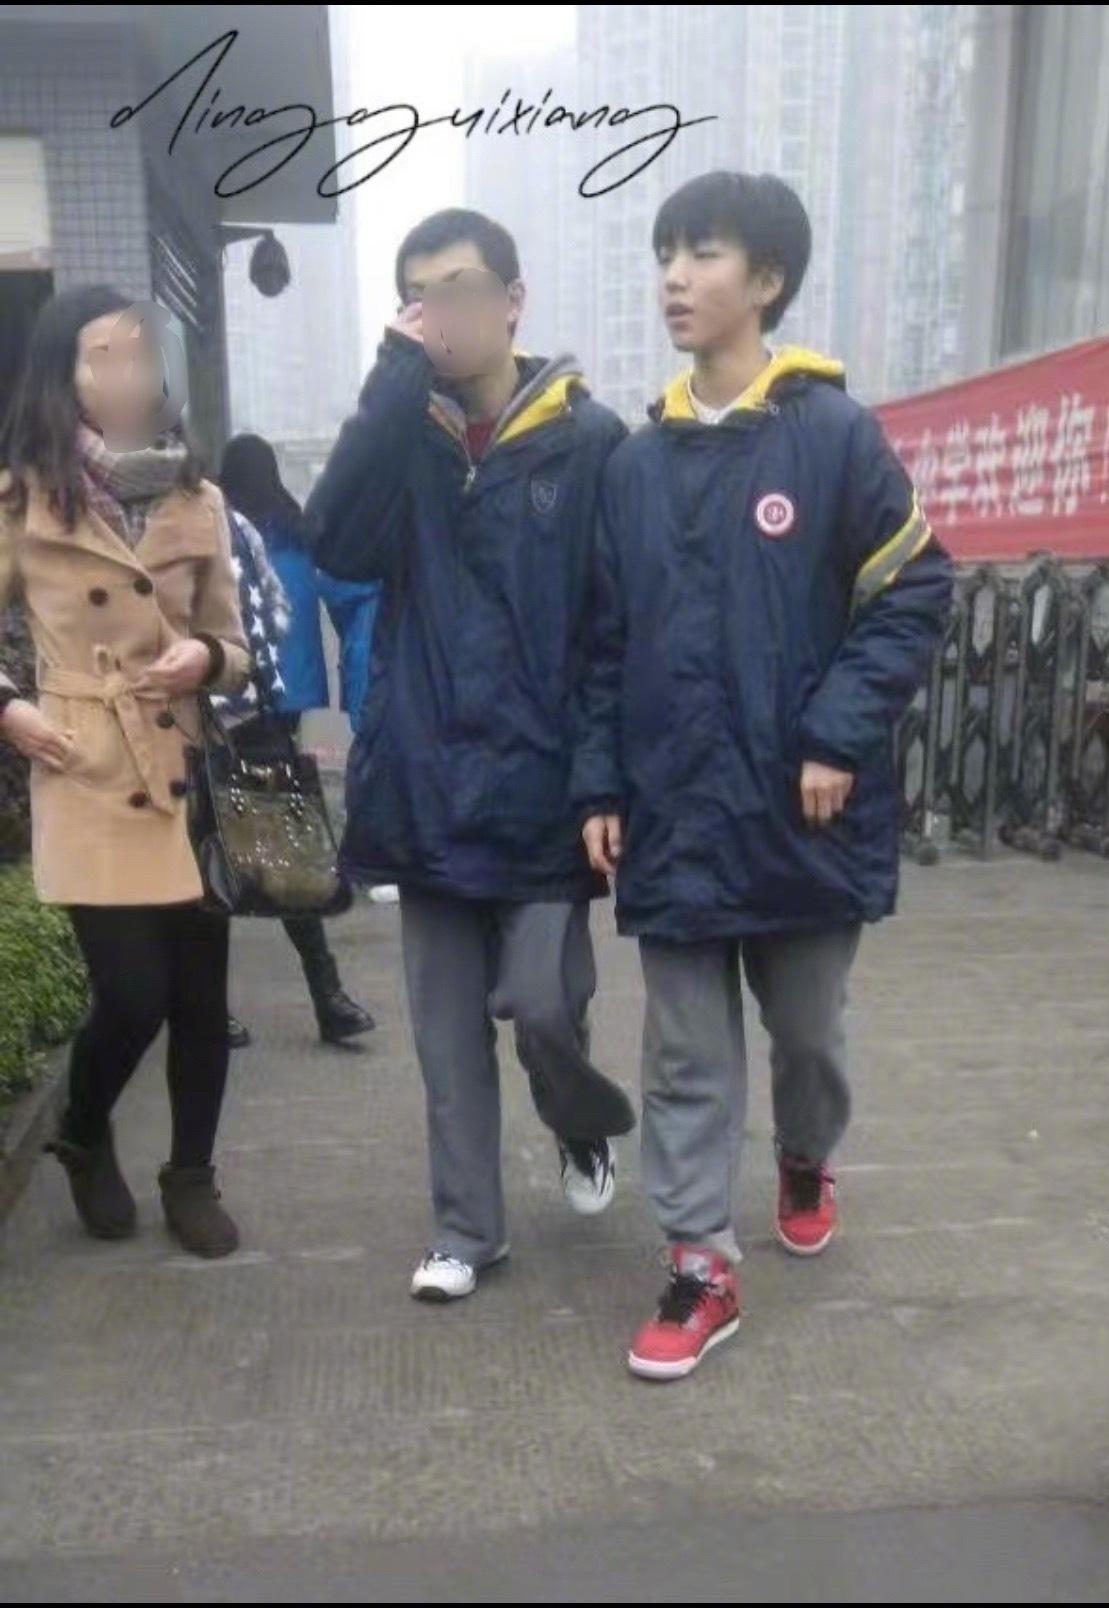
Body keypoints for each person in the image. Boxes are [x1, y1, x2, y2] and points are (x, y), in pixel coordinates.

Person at [572, 172, 954, 1378]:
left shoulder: (831, 436)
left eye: (704, 254)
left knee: (807, 1035)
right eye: (666, 254)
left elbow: (913, 589)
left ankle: (803, 1153)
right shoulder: (635, 464)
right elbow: (604, 644)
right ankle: (700, 1261)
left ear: (769, 280)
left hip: (803, 812)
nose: (676, 277)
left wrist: (837, 735)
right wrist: (599, 785)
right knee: (685, 1055)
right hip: (676, 815)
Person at [305, 208, 636, 1302]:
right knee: (448, 1041)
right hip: (428, 784)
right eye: (416, 298)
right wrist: (389, 385)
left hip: (544, 790)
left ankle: (578, 1121)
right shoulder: (406, 441)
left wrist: (603, 777)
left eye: (455, 290)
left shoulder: (588, 442)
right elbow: (334, 542)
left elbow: (614, 628)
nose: (438, 315)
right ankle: (466, 1230)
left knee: (543, 1006)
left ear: (512, 299)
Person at [0, 284, 251, 1258]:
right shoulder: (22, 497)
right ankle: (80, 1127)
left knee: (200, 1001)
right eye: (101, 357)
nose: (126, 376)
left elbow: (235, 646)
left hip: (183, 764)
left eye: (141, 357)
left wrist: (205, 659)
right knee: (133, 995)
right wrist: (12, 709)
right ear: (63, 375)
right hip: (86, 766)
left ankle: (191, 1176)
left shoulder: (198, 496)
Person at [215, 435, 376, 1048]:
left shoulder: (223, 530)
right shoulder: (296, 531)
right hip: (270, 707)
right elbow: (339, 603)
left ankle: (216, 1007)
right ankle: (326, 996)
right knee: (280, 851)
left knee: (219, 853)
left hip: (226, 709)